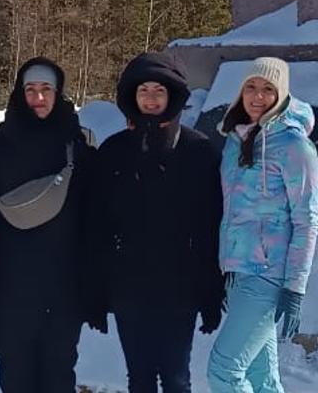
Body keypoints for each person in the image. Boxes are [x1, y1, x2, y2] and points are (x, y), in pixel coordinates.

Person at [88, 52, 224, 393]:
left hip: (179, 285)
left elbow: (211, 225)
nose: (150, 99)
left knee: (176, 377)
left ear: (172, 95)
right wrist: (96, 289)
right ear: (131, 97)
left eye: (158, 91)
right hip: (128, 285)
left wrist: (210, 289)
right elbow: (97, 227)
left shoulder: (199, 150)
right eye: (143, 91)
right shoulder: (113, 151)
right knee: (140, 377)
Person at [0, 57, 95, 393]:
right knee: (17, 373)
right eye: (31, 90)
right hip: (12, 284)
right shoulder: (2, 144)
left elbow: (92, 214)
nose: (38, 98)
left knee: (59, 372)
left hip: (64, 284)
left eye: (46, 90)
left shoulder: (75, 143)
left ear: (59, 93)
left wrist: (92, 278)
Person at [207, 58, 318, 393]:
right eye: (251, 88)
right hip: (238, 272)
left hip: (268, 274)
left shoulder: (294, 145)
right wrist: (226, 265)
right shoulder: (234, 140)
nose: (258, 97)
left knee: (224, 371)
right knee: (263, 379)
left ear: (282, 94)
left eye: (268, 89)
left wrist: (295, 286)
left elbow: (307, 219)